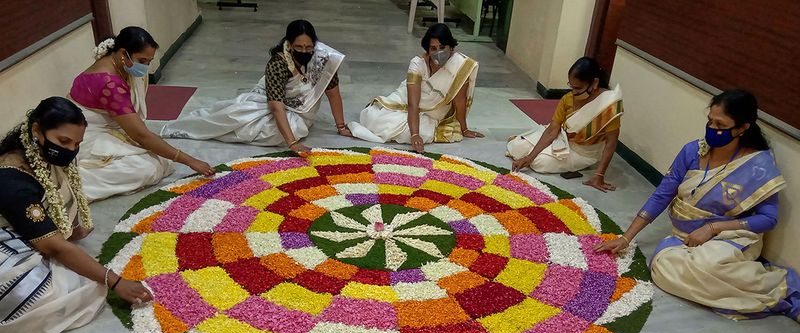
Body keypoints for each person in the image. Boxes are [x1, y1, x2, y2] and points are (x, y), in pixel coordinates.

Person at [595, 90, 799, 322]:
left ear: (742, 128)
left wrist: (714, 228)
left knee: (706, 266)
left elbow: (769, 219)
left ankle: (782, 287)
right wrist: (626, 238)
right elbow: (662, 195)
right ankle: (735, 283)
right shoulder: (692, 151)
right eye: (710, 121)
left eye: (720, 124)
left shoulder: (758, 164)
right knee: (663, 268)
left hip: (732, 235)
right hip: (685, 236)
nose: (712, 128)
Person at [0, 97, 153, 333]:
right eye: (64, 141)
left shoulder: (37, 152)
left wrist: (66, 229)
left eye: (77, 143)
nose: (71, 149)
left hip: (20, 230)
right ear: (36, 130)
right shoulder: (12, 178)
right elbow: (55, 247)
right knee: (62, 290)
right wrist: (115, 281)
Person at [69, 26, 214, 202]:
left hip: (110, 128)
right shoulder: (109, 83)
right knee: (146, 168)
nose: (145, 67)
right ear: (123, 53)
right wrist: (190, 161)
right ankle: (73, 186)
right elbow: (140, 135)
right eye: (142, 61)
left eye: (149, 61)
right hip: (86, 135)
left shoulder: (119, 64)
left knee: (161, 159)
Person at [161, 20, 351, 152]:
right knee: (235, 118)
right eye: (299, 47)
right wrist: (291, 143)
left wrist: (341, 127)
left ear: (314, 44)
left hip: (302, 111)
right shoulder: (278, 63)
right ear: (289, 44)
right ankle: (187, 128)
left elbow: (333, 94)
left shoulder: (323, 59)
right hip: (268, 100)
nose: (304, 51)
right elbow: (276, 106)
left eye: (308, 47)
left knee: (285, 132)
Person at [348, 23, 483, 153]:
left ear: (451, 48)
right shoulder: (417, 64)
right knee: (374, 119)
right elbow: (413, 104)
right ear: (428, 50)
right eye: (433, 49)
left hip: (433, 111)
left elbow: (460, 102)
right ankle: (385, 114)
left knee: (425, 133)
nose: (438, 52)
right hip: (405, 100)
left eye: (442, 47)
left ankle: (415, 128)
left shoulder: (460, 65)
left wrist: (464, 129)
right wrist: (414, 135)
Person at [508, 57, 623, 192]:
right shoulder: (567, 98)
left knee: (540, 163)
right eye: (571, 87)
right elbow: (553, 130)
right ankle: (530, 147)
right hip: (562, 137)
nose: (573, 92)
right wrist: (529, 157)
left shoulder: (608, 105)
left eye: (578, 88)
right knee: (518, 147)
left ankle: (538, 150)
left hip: (583, 151)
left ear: (594, 83)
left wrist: (599, 175)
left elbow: (611, 142)